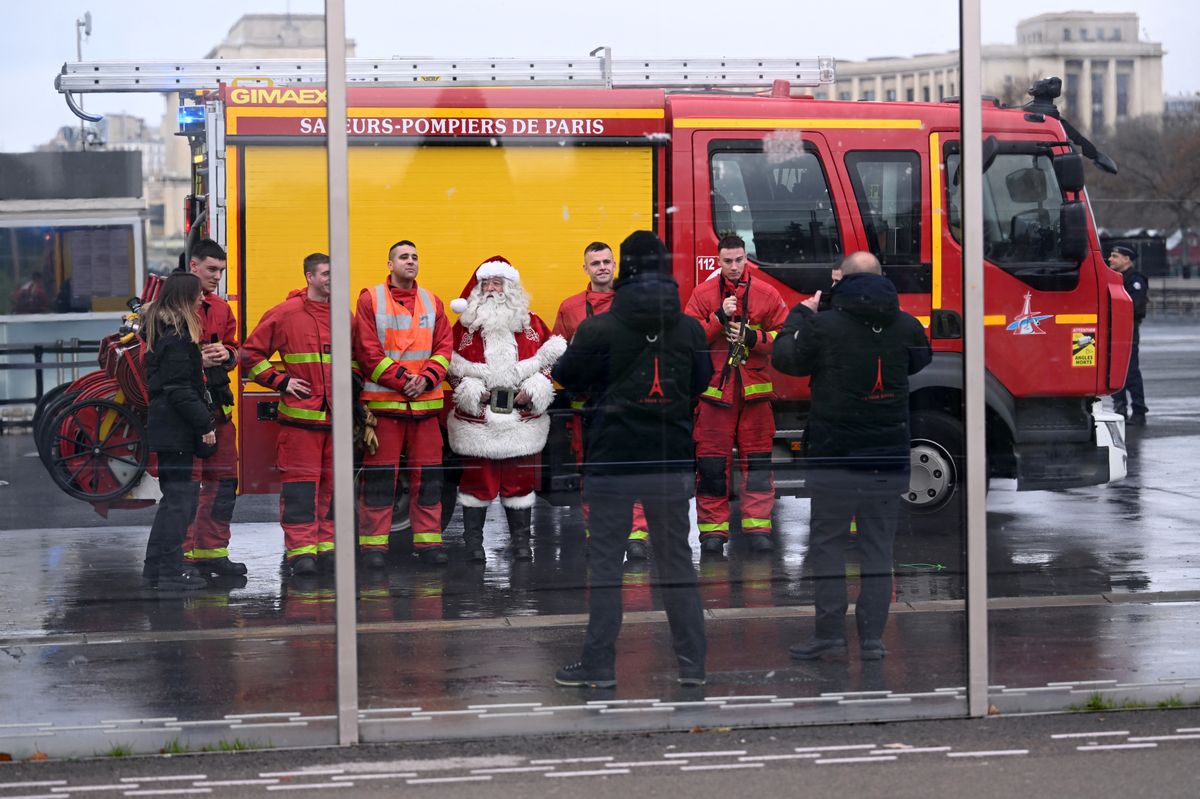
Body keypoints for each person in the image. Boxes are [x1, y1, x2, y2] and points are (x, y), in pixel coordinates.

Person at [552, 230, 711, 688]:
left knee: (606, 565)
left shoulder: (599, 326)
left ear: (623, 268)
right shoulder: (689, 328)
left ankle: (600, 665)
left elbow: (567, 377)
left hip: (611, 461)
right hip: (670, 460)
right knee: (677, 562)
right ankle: (692, 666)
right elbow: (700, 382)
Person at [771, 251, 931, 661]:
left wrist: (799, 316)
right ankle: (873, 640)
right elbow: (920, 358)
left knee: (828, 547)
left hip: (836, 460)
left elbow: (785, 359)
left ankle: (830, 635)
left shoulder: (823, 327)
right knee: (878, 550)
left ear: (841, 281)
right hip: (887, 459)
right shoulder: (907, 325)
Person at [446, 255, 567, 561]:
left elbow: (551, 362)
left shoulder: (532, 322)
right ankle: (473, 545)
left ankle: (522, 544)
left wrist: (534, 389)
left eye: (497, 283)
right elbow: (447, 365)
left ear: (510, 287)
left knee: (519, 484)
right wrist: (472, 391)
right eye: (485, 283)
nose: (490, 289)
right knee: (476, 484)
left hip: (521, 419)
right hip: (477, 421)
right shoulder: (463, 328)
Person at [684, 234, 789, 556]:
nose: (734, 266)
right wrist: (717, 318)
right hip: (716, 395)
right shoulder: (702, 295)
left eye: (739, 260)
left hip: (755, 395)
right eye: (727, 261)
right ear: (718, 261)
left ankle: (758, 528)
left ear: (747, 258)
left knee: (757, 465)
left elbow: (784, 337)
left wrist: (753, 336)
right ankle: (713, 533)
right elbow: (688, 339)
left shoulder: (766, 294)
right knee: (712, 467)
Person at [353, 240, 454, 567]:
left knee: (429, 479)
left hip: (424, 409)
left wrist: (424, 379)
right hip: (385, 408)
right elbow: (367, 352)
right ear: (390, 264)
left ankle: (429, 545)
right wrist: (404, 381)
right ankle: (374, 548)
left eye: (415, 256)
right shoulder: (370, 299)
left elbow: (444, 349)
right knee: (380, 480)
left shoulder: (432, 302)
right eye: (403, 257)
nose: (411, 261)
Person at [552, 241, 651, 561]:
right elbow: (557, 358)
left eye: (607, 261)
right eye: (595, 263)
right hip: (589, 409)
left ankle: (636, 536)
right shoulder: (570, 308)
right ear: (585, 269)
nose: (603, 267)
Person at [242, 253, 335, 578]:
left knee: (331, 490)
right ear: (309, 276)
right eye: (325, 274)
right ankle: (301, 553)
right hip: (300, 424)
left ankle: (326, 549)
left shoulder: (343, 316)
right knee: (300, 491)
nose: (331, 279)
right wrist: (281, 381)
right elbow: (250, 355)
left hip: (335, 423)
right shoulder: (286, 314)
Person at [141, 272, 216, 592]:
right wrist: (206, 424)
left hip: (167, 425)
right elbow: (179, 389)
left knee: (173, 500)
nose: (202, 299)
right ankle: (170, 573)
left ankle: (155, 570)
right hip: (176, 428)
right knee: (180, 503)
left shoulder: (164, 333)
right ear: (185, 298)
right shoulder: (177, 337)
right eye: (198, 294)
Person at [176, 240, 246, 577]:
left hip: (219, 411)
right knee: (187, 489)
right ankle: (184, 557)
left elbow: (235, 347)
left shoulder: (220, 308)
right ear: (193, 266)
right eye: (212, 269)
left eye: (221, 270)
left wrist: (228, 355)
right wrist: (196, 359)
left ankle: (212, 552)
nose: (218, 276)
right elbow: (153, 361)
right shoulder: (169, 309)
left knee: (223, 485)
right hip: (185, 417)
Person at [1108, 244, 1149, 426]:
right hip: (1112, 331)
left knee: (1130, 371)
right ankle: (1120, 408)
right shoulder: (1113, 278)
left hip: (1127, 332)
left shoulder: (1135, 280)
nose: (1110, 259)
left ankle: (1139, 410)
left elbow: (1135, 307)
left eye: (1115, 256)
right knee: (1114, 370)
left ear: (1127, 259)